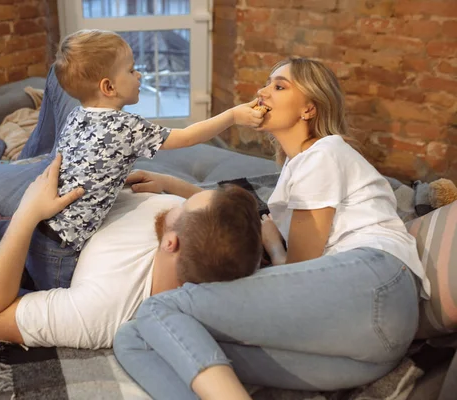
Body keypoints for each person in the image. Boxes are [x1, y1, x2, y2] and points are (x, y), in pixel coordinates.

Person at [112, 57, 431, 400]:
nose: (263, 93)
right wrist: (171, 184)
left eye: (279, 86)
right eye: (266, 84)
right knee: (136, 337)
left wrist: (276, 248)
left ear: (309, 109)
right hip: (364, 347)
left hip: (373, 283)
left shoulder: (324, 153)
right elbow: (238, 214)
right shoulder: (299, 167)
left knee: (159, 308)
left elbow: (302, 268)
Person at [0, 29, 265, 293]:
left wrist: (108, 178)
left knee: (20, 232)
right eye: (132, 70)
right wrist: (231, 115)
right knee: (48, 289)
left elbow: (76, 161)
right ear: (109, 87)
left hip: (41, 216)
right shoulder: (126, 127)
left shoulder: (77, 115)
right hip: (65, 246)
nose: (140, 76)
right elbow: (185, 137)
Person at [0, 154, 263, 347]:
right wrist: (170, 183)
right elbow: (215, 216)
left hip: (39, 197)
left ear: (171, 243)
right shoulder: (213, 246)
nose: (179, 200)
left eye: (183, 206)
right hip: (88, 176)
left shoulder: (105, 309)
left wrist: (27, 213)